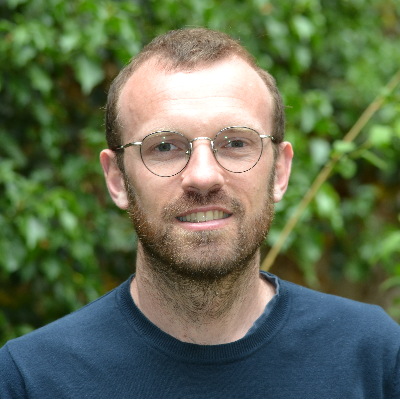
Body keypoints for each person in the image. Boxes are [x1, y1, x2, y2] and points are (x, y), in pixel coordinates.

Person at [0, 28, 399, 399]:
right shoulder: (31, 379)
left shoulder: (374, 356)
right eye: (164, 146)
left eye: (236, 143)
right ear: (117, 179)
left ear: (280, 171)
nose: (203, 176)